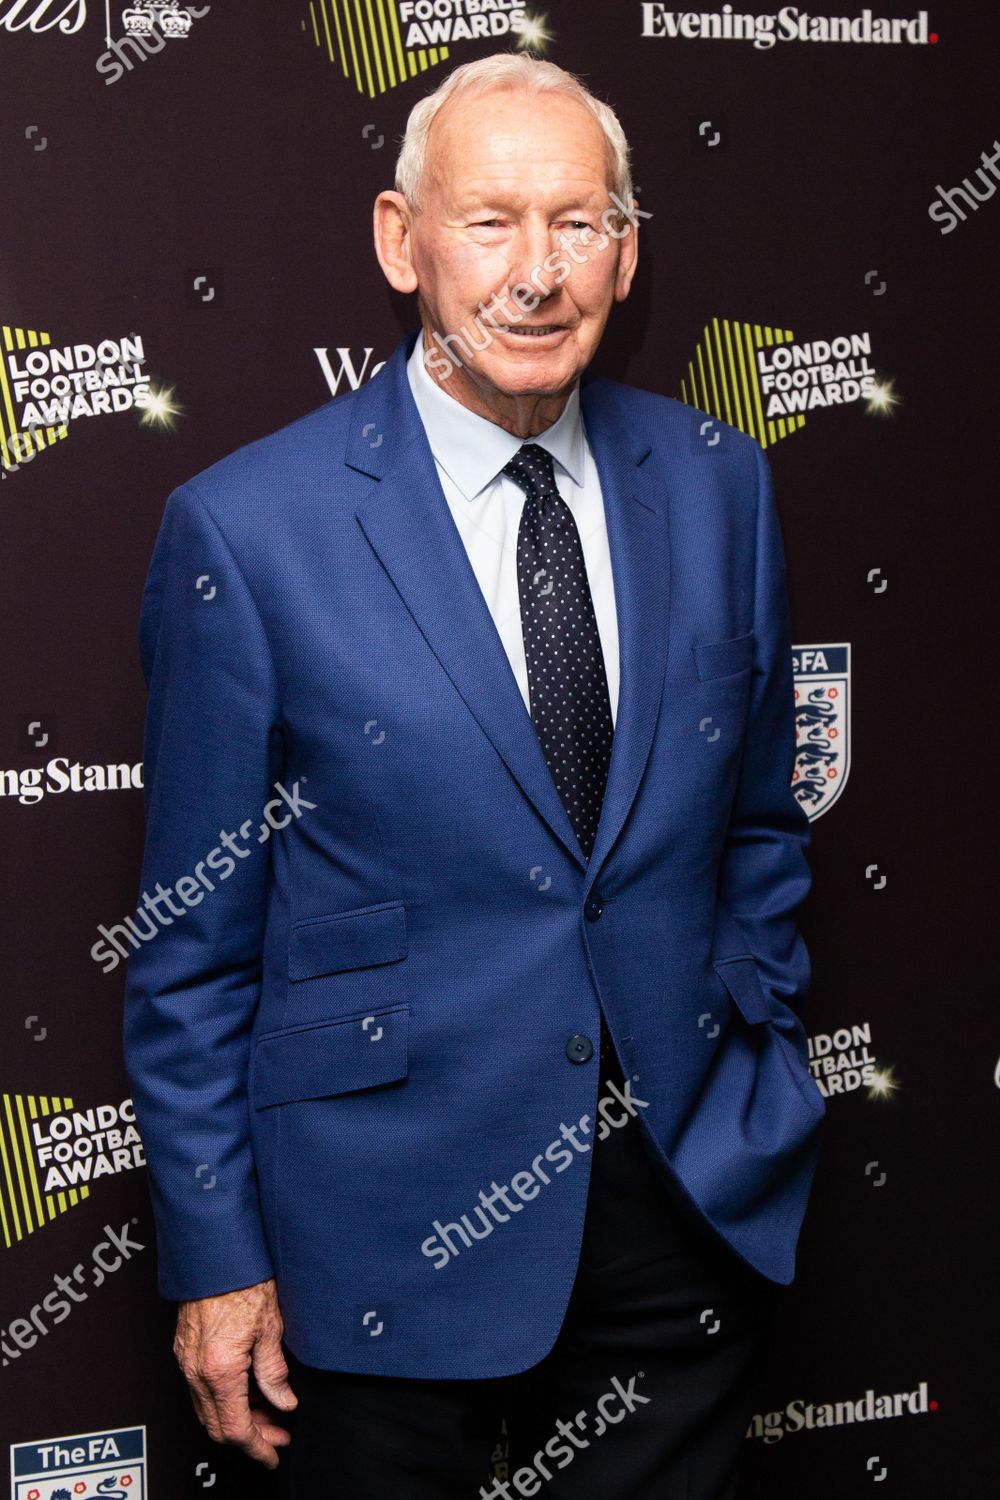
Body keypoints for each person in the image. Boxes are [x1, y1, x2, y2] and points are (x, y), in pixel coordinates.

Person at [122, 50, 826, 1499]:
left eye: (577, 223)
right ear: (403, 239)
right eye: (490, 220)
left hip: (680, 1202)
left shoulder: (717, 481)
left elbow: (758, 815)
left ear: (626, 256)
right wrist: (218, 1256)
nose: (536, 273)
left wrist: (756, 1040)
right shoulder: (247, 531)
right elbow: (189, 956)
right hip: (377, 1234)